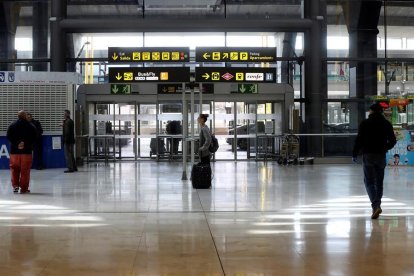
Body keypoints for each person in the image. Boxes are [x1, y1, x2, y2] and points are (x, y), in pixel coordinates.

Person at [352, 103, 396, 219]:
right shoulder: (386, 124)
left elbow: (359, 140)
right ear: (381, 111)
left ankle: (375, 206)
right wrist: (385, 148)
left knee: (369, 182)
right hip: (381, 155)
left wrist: (355, 154)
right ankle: (377, 205)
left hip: (368, 155)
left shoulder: (365, 123)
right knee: (379, 182)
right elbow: (393, 141)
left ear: (371, 111)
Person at [6, 110, 37, 194]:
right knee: (25, 171)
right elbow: (34, 137)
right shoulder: (31, 126)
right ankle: (23, 188)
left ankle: (15, 186)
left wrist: (17, 144)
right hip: (26, 152)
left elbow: (8, 136)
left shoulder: (12, 125)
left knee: (14, 169)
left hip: (14, 152)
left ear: (18, 116)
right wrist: (25, 144)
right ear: (24, 116)